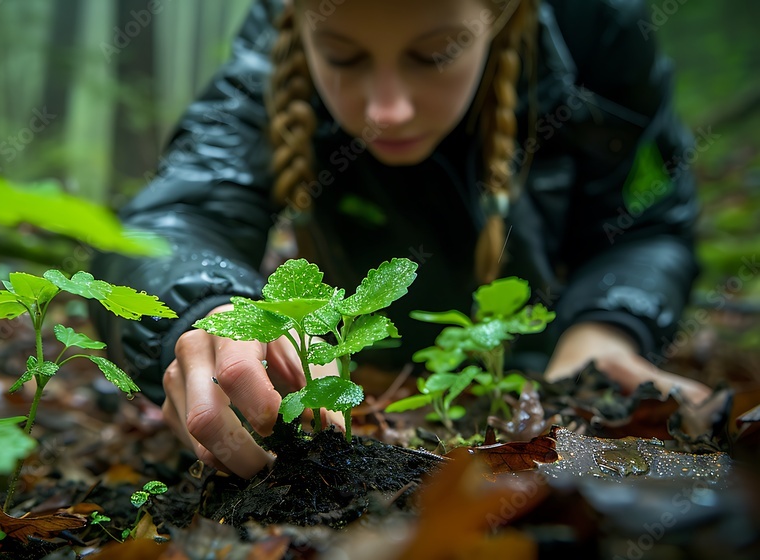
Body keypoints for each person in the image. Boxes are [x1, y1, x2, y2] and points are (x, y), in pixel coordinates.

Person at [91, 0, 711, 479]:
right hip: (367, 358)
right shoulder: (274, 40)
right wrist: (208, 311)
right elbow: (174, 216)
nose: (387, 110)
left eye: (436, 54)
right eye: (342, 56)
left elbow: (652, 224)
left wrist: (607, 326)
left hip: (546, 343)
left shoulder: (597, 29)